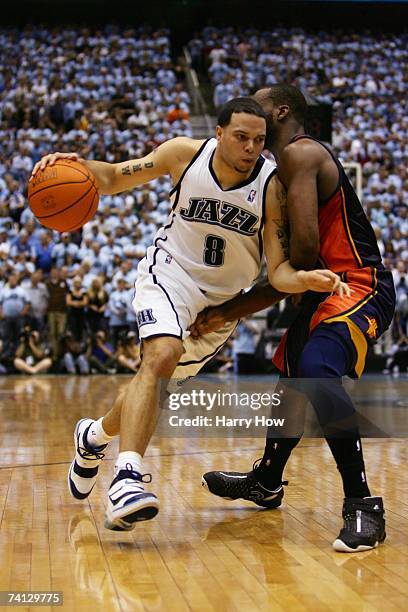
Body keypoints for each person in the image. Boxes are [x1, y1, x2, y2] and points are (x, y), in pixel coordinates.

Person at [31, 97, 347, 532]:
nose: (251, 147)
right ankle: (127, 477)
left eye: (258, 139)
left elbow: (278, 271)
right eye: (240, 137)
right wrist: (75, 164)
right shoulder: (183, 154)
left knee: (155, 384)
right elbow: (113, 178)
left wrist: (306, 280)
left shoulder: (272, 187)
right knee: (161, 355)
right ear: (218, 133)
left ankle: (94, 437)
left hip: (218, 309)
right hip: (169, 276)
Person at [191, 85, 396, 553]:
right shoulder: (272, 176)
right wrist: (227, 309)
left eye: (258, 104)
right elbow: (294, 273)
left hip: (355, 283)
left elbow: (302, 256)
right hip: (320, 289)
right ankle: (267, 480)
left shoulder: (300, 154)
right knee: (290, 380)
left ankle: (364, 504)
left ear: (282, 111)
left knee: (316, 372)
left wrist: (235, 305)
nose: (246, 109)